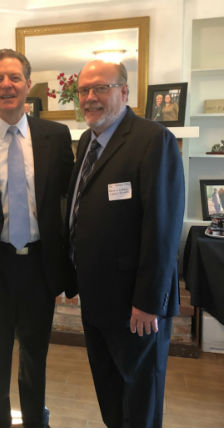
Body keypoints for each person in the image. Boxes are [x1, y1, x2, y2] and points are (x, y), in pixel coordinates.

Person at [67, 60, 184, 428]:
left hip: (136, 307)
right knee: (110, 394)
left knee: (141, 402)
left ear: (124, 91)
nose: (90, 97)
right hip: (96, 300)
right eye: (84, 90)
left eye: (100, 88)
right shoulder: (87, 141)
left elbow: (163, 229)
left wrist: (149, 302)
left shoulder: (153, 140)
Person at [0, 49, 75, 428]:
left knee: (34, 355)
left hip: (40, 266)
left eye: (14, 78)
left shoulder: (56, 137)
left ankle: (33, 420)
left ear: (28, 85)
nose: (6, 85)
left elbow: (70, 198)